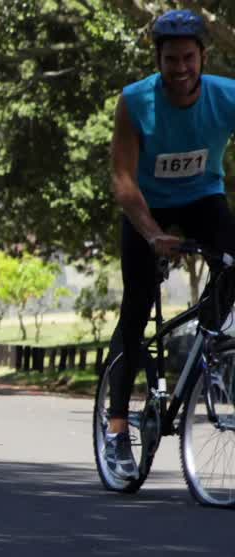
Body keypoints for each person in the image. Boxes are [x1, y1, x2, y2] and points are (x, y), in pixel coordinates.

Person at [104, 9, 235, 480]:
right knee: (137, 308)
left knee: (232, 268)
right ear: (157, 60)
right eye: (169, 60)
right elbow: (121, 177)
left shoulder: (227, 95)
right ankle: (118, 426)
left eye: (188, 58)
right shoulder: (136, 101)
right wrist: (151, 233)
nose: (180, 70)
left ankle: (208, 341)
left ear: (203, 56)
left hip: (203, 198)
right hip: (149, 205)